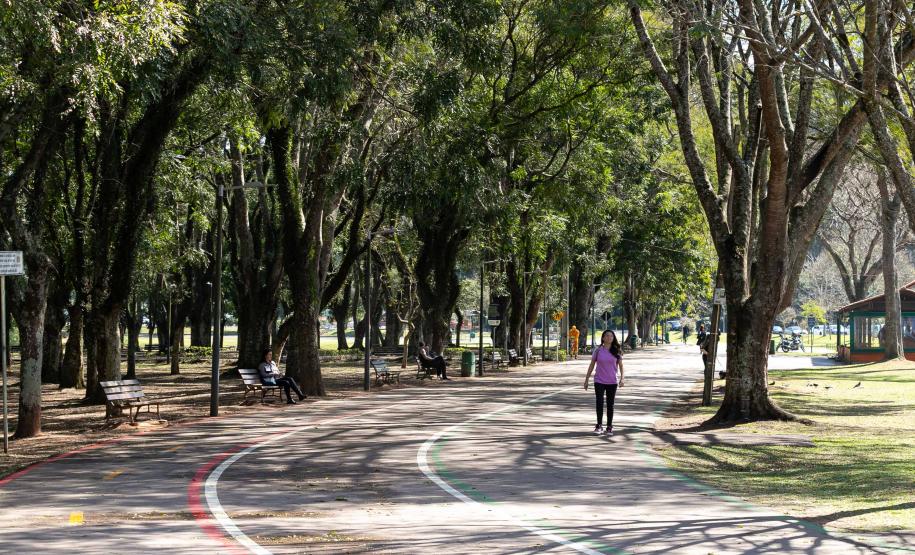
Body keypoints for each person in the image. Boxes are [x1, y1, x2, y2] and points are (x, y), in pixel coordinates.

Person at [583, 330, 624, 437]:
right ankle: (599, 425)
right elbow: (592, 365)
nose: (609, 337)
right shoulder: (598, 351)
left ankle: (609, 426)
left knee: (610, 404)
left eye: (611, 336)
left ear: (613, 338)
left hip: (612, 381)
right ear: (603, 338)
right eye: (607, 336)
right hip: (599, 380)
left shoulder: (617, 351)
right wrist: (587, 379)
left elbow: (621, 366)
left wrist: (622, 379)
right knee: (599, 402)